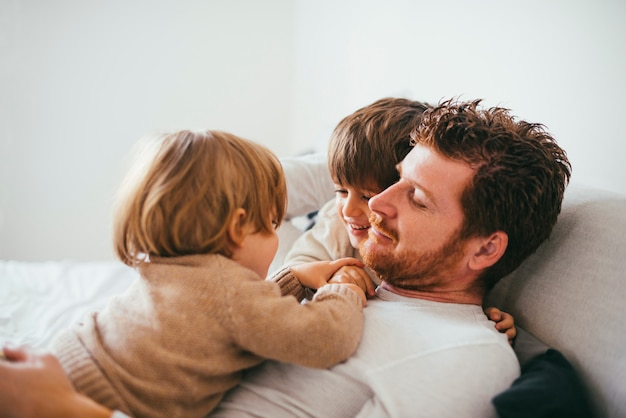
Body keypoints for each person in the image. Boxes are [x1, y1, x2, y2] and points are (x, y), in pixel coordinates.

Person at [0, 98, 571, 417]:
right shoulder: (358, 262)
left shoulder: (461, 359)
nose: (377, 206)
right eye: (393, 180)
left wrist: (64, 409)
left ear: (486, 248)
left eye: (415, 198)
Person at [13, 130, 368, 418]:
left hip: (64, 360)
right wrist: (344, 289)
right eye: (272, 225)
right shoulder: (230, 294)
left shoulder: (167, 266)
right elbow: (325, 338)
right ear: (238, 227)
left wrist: (292, 279)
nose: (277, 238)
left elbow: (221, 316)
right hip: (95, 400)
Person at [286, 97, 516, 340]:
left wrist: (493, 318)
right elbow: (295, 267)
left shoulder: (434, 250)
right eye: (341, 191)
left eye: (367, 196)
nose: (348, 210)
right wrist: (330, 275)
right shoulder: (336, 223)